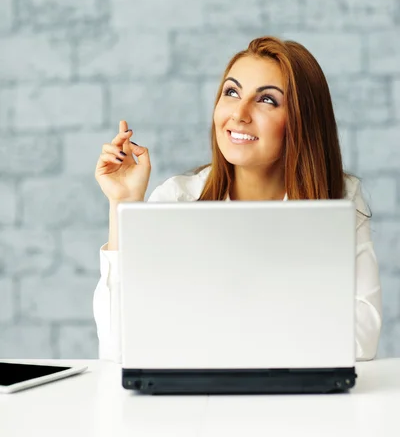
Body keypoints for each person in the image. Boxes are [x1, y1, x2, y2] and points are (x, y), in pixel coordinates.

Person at [93, 36, 382, 364]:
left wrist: (204, 328)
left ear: (302, 122)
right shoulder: (178, 199)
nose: (239, 114)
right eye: (231, 92)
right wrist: (124, 203)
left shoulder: (339, 199)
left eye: (267, 100)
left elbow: (360, 341)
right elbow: (118, 347)